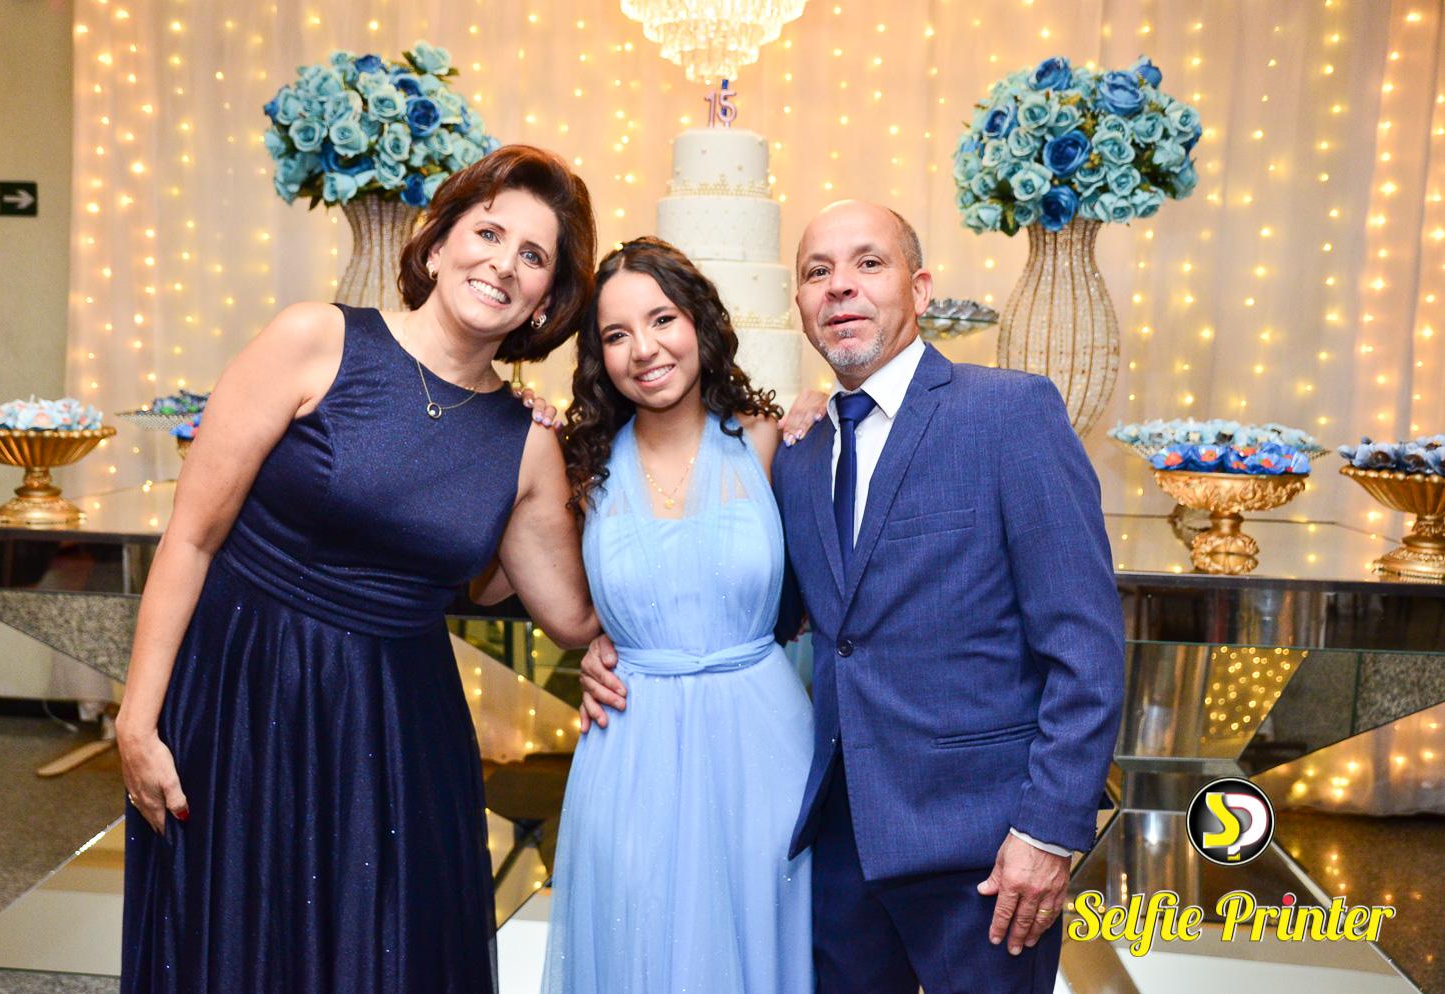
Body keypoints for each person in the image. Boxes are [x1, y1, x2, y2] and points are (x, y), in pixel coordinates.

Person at [580, 201, 1125, 994]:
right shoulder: (800, 453)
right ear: (799, 305)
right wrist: (612, 642)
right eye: (817, 272)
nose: (840, 286)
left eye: (869, 263)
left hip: (983, 854)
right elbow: (768, 610)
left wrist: (1047, 831)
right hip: (835, 852)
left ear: (921, 287)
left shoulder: (1010, 413)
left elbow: (1086, 646)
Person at [116, 145, 603, 993]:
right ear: (439, 243)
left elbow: (571, 615)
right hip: (242, 699)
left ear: (547, 299)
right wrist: (136, 720)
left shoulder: (527, 443)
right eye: (489, 233)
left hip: (396, 739)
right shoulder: (315, 340)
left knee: (376, 957)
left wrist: (667, 447)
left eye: (534, 256)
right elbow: (191, 536)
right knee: (236, 945)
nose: (503, 264)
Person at [536, 237, 814, 993]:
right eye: (616, 334)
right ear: (598, 357)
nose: (644, 349)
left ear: (700, 322)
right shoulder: (576, 465)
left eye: (662, 319)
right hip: (632, 746)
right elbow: (515, 581)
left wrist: (827, 404)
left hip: (764, 747)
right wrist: (510, 421)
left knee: (763, 938)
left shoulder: (772, 440)